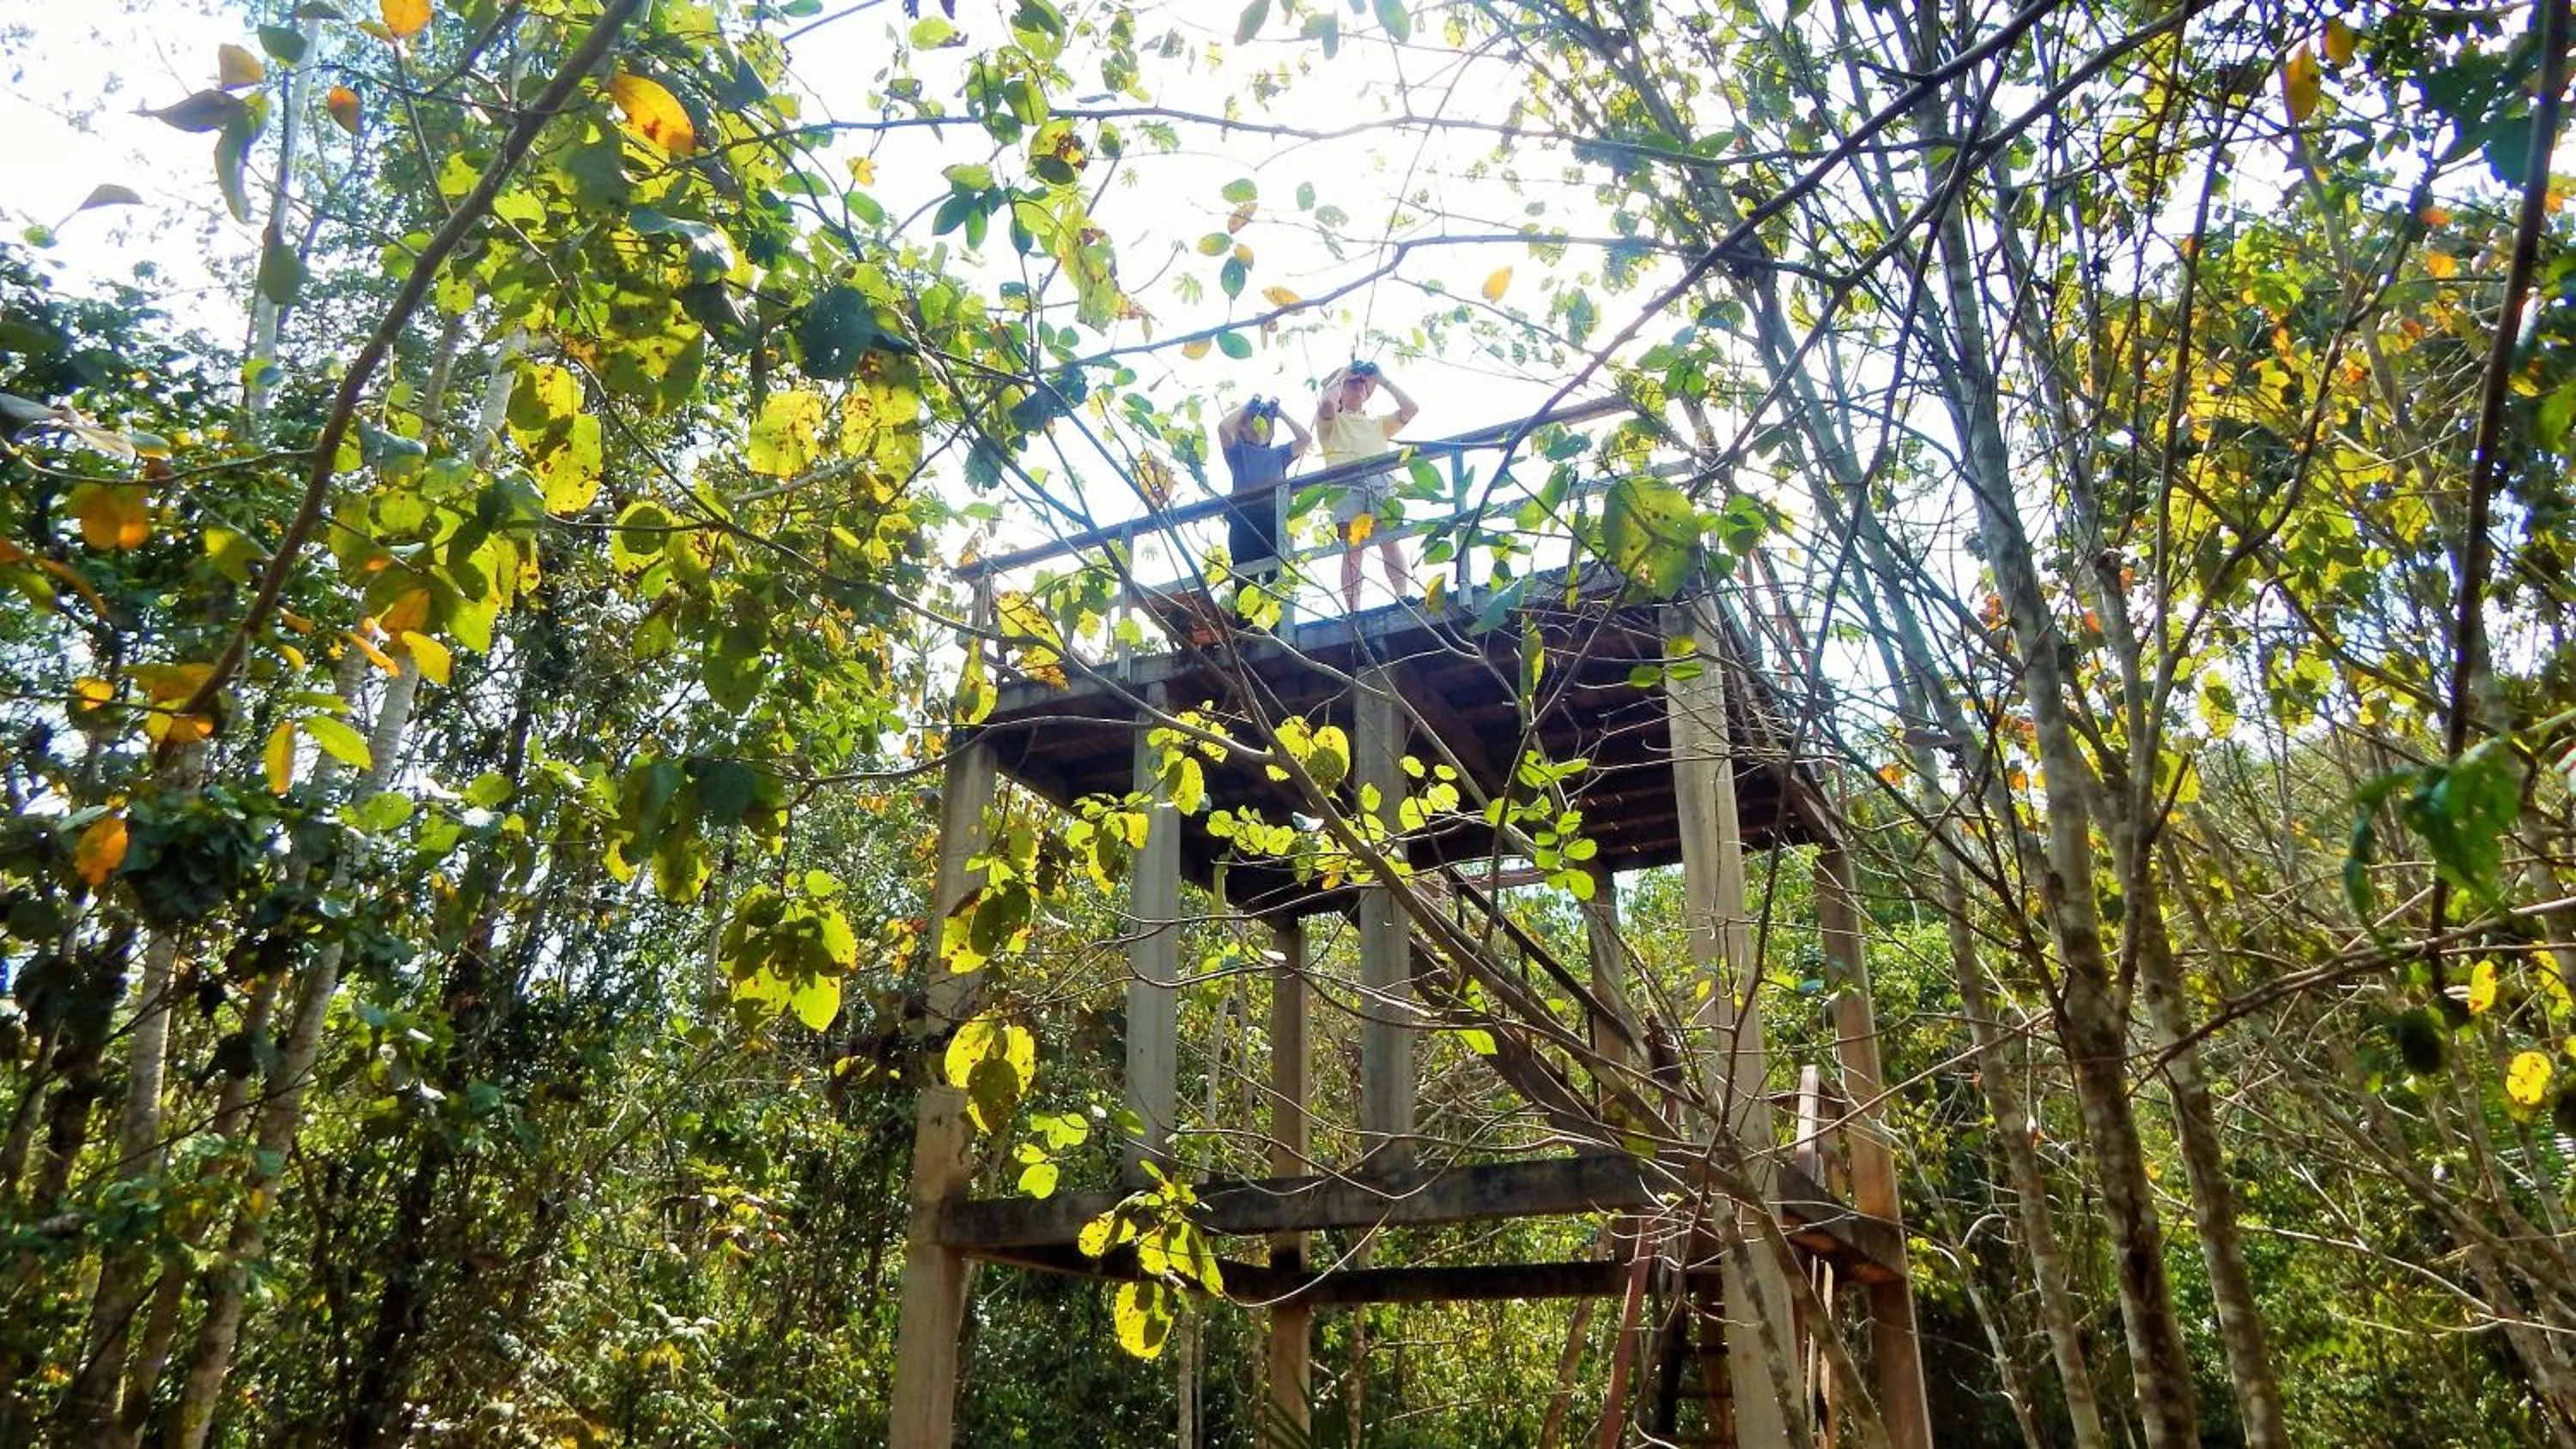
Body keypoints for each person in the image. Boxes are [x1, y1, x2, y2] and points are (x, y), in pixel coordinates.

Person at [1314, 360, 1419, 612]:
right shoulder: (1331, 421)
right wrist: (1341, 374)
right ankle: (1354, 610)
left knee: (1389, 540)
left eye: (1362, 382)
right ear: (1340, 388)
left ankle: (1403, 596)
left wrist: (1382, 380)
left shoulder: (1377, 423)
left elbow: (1411, 409)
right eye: (1353, 382)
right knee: (1353, 549)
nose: (1359, 385)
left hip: (1379, 480)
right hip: (1345, 484)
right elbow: (1327, 405)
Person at [1216, 393, 1310, 591]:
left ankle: (1278, 621)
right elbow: (1224, 429)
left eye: (1266, 422)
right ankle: (1245, 622)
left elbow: (1305, 439)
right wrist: (1248, 407)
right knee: (1244, 580)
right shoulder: (1238, 452)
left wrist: (1280, 413)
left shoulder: (1279, 454)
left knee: (1276, 579)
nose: (1259, 425)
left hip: (1273, 519)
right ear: (1242, 427)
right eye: (1253, 421)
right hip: (1245, 520)